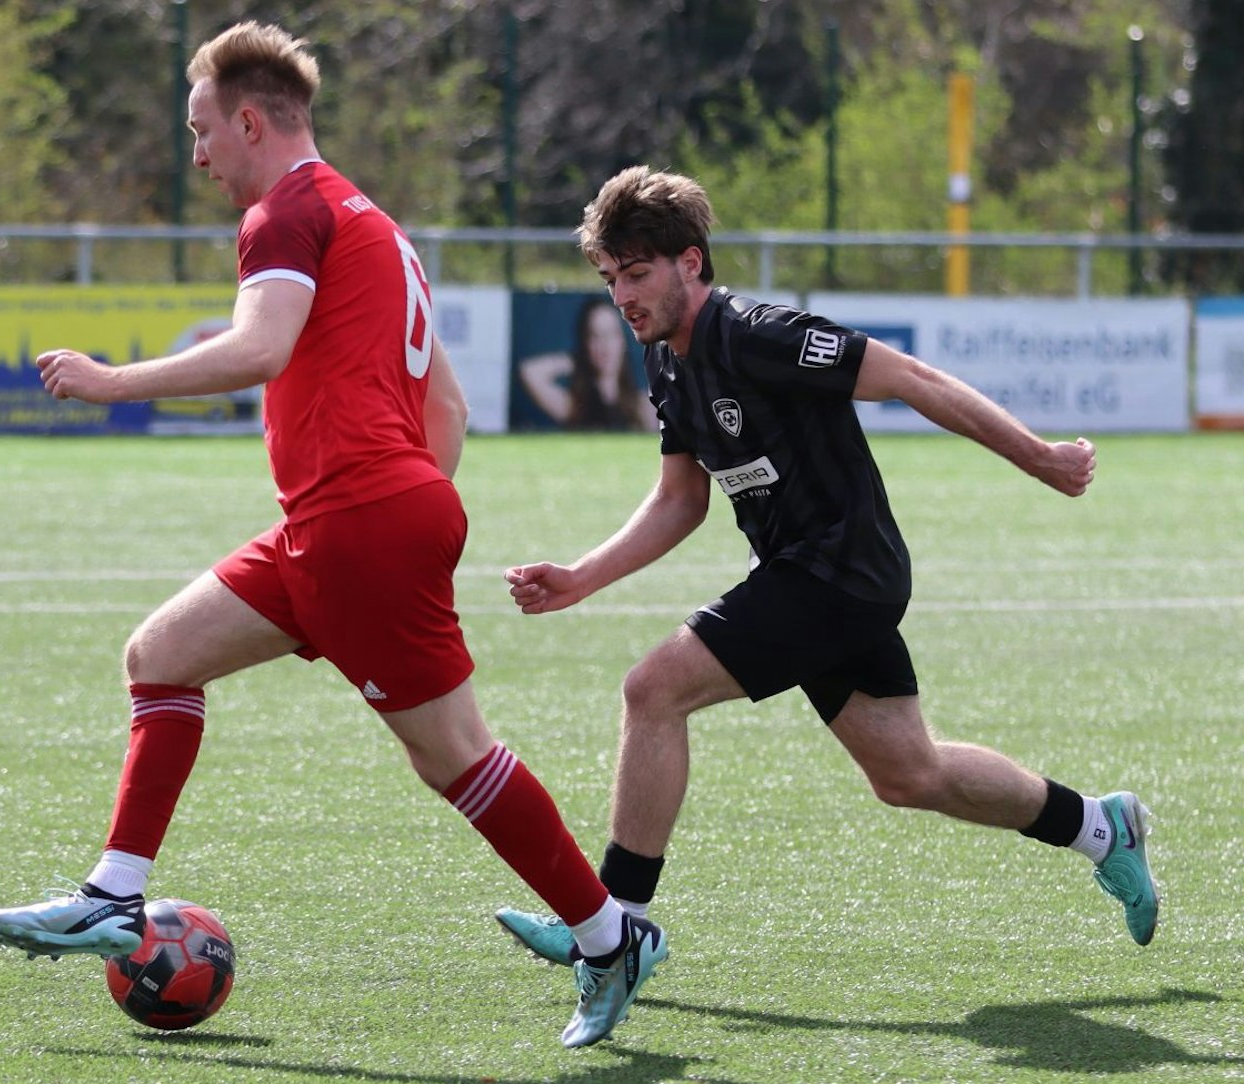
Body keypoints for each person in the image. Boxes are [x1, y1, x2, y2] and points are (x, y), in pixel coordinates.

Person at [0, 21, 660, 1049]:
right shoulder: (372, 222)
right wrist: (405, 505)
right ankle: (113, 894)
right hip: (344, 520)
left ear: (250, 120)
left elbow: (259, 348)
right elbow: (451, 409)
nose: (197, 152)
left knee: (454, 758)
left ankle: (609, 936)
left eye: (202, 129)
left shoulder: (285, 208)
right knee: (159, 653)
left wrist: (114, 382)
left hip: (357, 522)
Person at [493, 165, 1159, 977]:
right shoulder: (666, 360)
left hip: (838, 570)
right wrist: (581, 578)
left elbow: (912, 378)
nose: (622, 296)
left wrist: (1041, 457)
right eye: (610, 280)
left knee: (652, 690)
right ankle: (1100, 827)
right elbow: (680, 500)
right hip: (810, 575)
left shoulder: (760, 333)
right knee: (909, 774)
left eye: (637, 275)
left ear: (690, 263)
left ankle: (616, 926)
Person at [517, 297, 656, 431]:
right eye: (595, 335)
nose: (604, 344)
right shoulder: (572, 407)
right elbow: (529, 371)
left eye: (611, 334)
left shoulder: (644, 406)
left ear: (622, 341)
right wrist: (577, 360)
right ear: (585, 343)